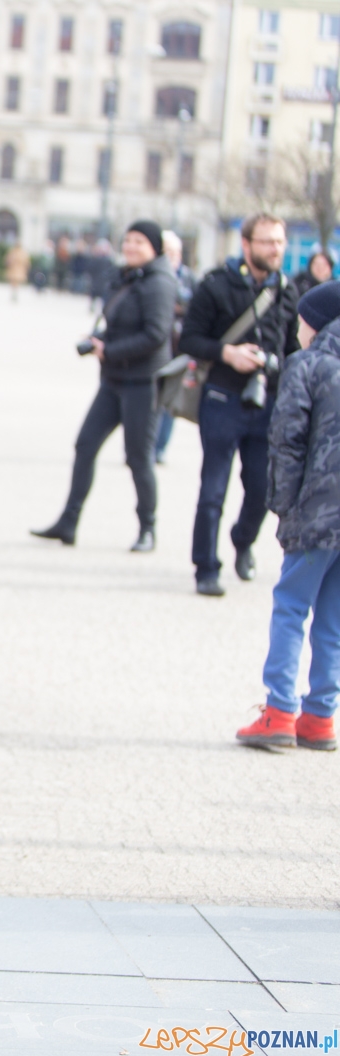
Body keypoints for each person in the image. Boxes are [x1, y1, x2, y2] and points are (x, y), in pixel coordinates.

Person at [234, 282, 340, 753]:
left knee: (292, 606)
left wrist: (282, 506)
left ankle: (278, 709)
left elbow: (286, 441)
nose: (297, 327)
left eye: (301, 319)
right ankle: (320, 715)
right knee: (334, 616)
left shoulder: (308, 365)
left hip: (316, 510)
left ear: (316, 324)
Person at [33, 222, 177, 552]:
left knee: (138, 457)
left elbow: (156, 335)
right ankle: (68, 522)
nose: (131, 246)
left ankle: (147, 528)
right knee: (85, 445)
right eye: (127, 240)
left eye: (139, 242)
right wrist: (99, 340)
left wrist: (108, 351)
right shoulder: (126, 276)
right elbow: (118, 322)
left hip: (142, 383)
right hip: (114, 380)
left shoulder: (159, 283)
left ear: (154, 247)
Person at [178, 213, 301, 597]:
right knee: (213, 486)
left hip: (268, 402)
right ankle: (206, 567)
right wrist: (227, 353)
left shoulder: (287, 290)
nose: (275, 249)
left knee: (263, 487)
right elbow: (189, 339)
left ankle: (242, 539)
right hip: (222, 396)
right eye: (267, 242)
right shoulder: (217, 284)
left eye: (279, 242)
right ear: (246, 245)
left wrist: (277, 364)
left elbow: (295, 348)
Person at [153, 229, 197, 465]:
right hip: (156, 347)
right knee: (151, 399)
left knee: (171, 400)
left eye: (175, 252)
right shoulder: (152, 277)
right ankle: (146, 446)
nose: (171, 257)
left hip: (179, 349)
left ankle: (160, 448)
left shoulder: (190, 280)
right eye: (166, 252)